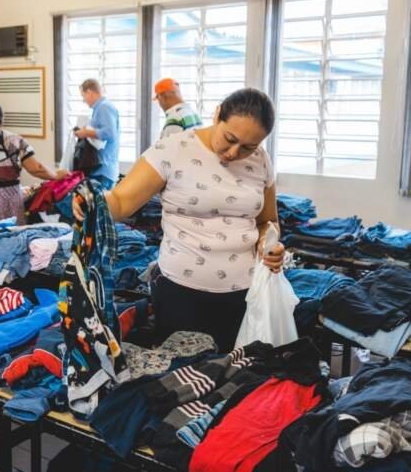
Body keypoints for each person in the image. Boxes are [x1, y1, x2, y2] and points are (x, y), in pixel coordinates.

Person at [74, 88, 286, 353]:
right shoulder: (173, 150)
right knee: (181, 381)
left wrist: (270, 245)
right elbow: (121, 201)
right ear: (217, 113)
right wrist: (93, 201)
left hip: (244, 293)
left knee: (235, 377)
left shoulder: (261, 161)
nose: (234, 152)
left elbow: (268, 221)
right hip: (183, 294)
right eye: (229, 139)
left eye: (248, 147)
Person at [73, 79, 119, 190]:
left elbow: (110, 133)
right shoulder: (99, 108)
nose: (83, 100)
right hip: (99, 169)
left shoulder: (104, 107)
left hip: (103, 170)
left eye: (83, 96)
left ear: (89, 92)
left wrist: (85, 133)